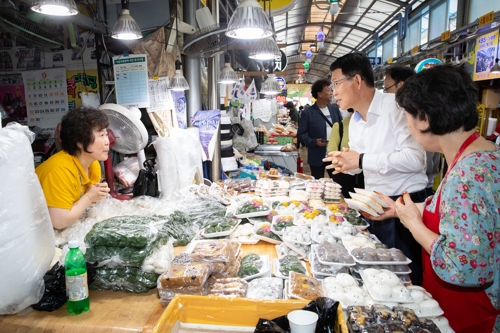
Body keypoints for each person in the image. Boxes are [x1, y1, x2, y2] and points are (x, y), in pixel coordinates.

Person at [373, 65, 499, 332]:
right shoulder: (485, 154)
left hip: (472, 316)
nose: (407, 126)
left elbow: (463, 267)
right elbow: (455, 213)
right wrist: (398, 209)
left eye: (407, 117)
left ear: (424, 118)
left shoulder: (467, 175)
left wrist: (414, 225)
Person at [324, 53, 428, 285]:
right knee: (378, 276)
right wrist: (346, 165)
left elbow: (415, 159)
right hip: (375, 205)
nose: (334, 91)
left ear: (358, 81)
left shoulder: (397, 108)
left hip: (404, 207)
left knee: (405, 280)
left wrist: (360, 160)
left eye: (337, 83)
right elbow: (363, 165)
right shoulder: (357, 121)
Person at [36, 106, 110, 229]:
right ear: (80, 142)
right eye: (101, 135)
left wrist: (97, 195)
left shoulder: (93, 164)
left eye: (106, 134)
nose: (107, 141)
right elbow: (59, 222)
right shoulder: (59, 170)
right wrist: (89, 197)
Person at [384, 65, 441, 196]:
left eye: (387, 89)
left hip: (416, 190)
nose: (386, 94)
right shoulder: (416, 112)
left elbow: (418, 161)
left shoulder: (417, 115)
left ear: (401, 85)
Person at [298, 79, 342, 179]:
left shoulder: (334, 109)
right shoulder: (308, 113)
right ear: (320, 94)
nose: (331, 93)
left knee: (338, 182)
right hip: (317, 155)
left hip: (334, 154)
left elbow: (341, 127)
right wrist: (314, 142)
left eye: (331, 90)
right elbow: (301, 134)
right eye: (328, 90)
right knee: (317, 184)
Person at [327, 108, 364, 198]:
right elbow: (331, 152)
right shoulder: (340, 126)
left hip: (366, 174)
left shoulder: (368, 126)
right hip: (345, 174)